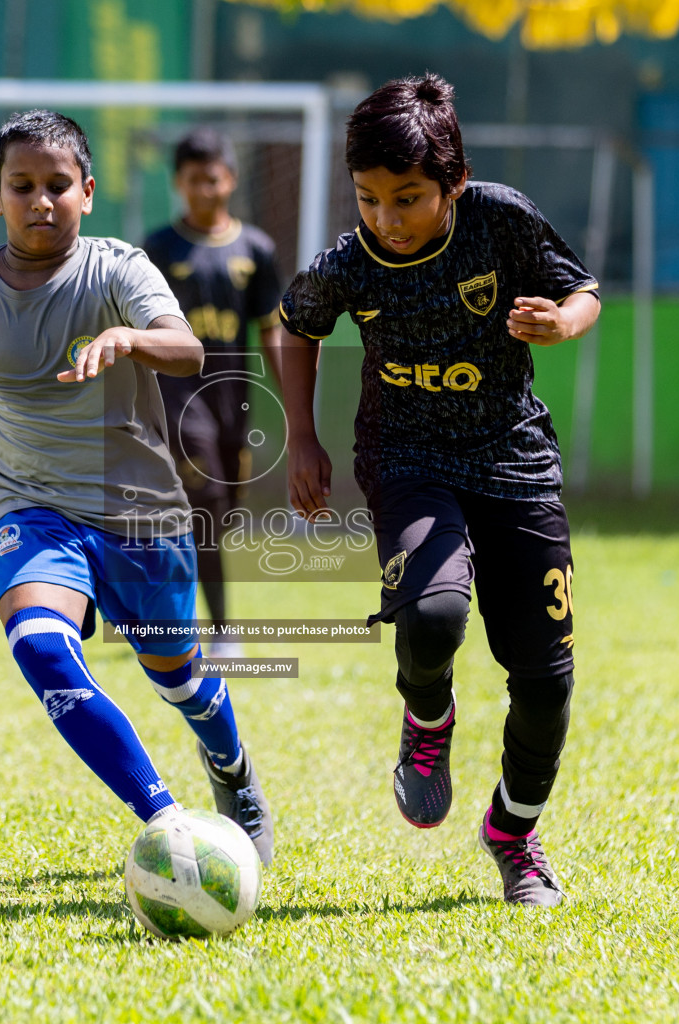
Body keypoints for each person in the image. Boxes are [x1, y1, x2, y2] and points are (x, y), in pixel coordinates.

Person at [0, 110, 273, 863]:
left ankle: (231, 768)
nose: (42, 201)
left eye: (58, 185)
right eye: (23, 186)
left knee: (182, 683)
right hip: (27, 506)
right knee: (41, 646)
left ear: (89, 191)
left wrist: (129, 337)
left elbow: (189, 349)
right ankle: (166, 819)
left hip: (141, 512)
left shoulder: (119, 268)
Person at [274, 75, 600, 906]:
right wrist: (303, 437)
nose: (386, 218)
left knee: (546, 681)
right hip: (407, 456)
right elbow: (296, 324)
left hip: (514, 459)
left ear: (453, 183)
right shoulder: (350, 261)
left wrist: (561, 321)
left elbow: (584, 289)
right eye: (369, 198)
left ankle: (514, 834)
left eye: (408, 198)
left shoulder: (501, 219)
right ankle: (428, 721)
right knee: (433, 615)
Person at [141, 128, 283, 659]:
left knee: (219, 516)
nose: (206, 188)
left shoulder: (256, 249)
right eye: (195, 179)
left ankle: (164, 610)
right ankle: (220, 631)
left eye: (215, 177)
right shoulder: (158, 248)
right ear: (179, 183)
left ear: (232, 178)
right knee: (202, 505)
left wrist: (291, 397)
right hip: (179, 397)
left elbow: (270, 328)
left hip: (233, 402)